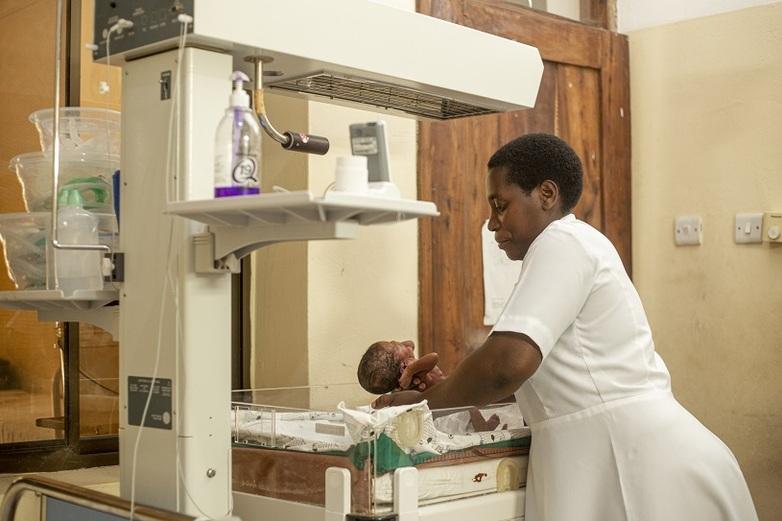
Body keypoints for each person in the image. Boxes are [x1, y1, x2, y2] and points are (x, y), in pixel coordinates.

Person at [374, 134, 758, 521]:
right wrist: (451, 391)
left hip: (639, 463)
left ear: (546, 194)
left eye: (500, 205)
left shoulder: (563, 242)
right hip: (610, 453)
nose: (492, 224)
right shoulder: (569, 248)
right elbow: (549, 381)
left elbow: (506, 365)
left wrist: (427, 403)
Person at [356, 340, 505, 431]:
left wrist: (403, 348)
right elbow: (434, 357)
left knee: (472, 408)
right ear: (402, 366)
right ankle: (484, 429)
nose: (396, 341)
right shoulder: (411, 367)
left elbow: (411, 344)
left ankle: (483, 426)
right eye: (393, 344)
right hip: (446, 393)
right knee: (472, 407)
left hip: (442, 393)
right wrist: (410, 370)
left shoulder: (405, 370)